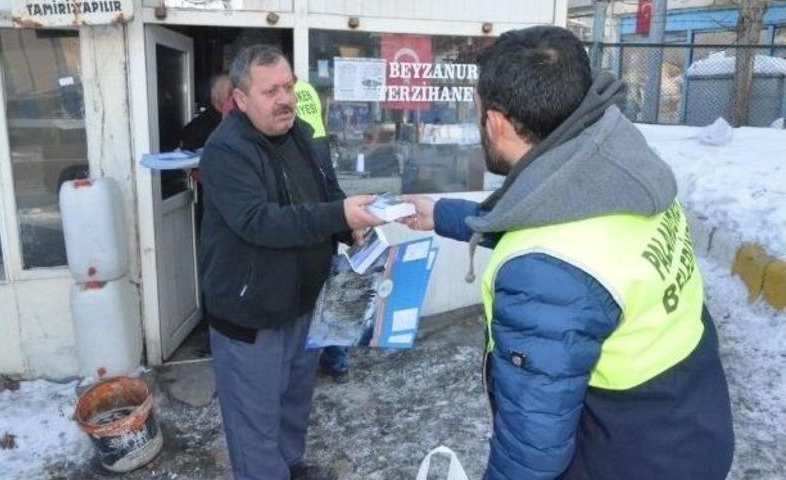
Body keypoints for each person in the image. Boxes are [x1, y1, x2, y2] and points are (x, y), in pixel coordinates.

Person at [400, 26, 734, 480]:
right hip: (691, 424)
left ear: (495, 122)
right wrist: (443, 215)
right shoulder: (620, 166)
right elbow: (561, 229)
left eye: (477, 113)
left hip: (630, 458)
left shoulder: (543, 272)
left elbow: (531, 455)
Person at [199, 45, 383, 480]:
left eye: (288, 86)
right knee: (254, 425)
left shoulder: (300, 132)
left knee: (294, 406)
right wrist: (338, 215)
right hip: (251, 316)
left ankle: (292, 467)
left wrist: (349, 228)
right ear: (241, 100)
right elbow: (258, 222)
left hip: (305, 304)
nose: (284, 98)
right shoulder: (225, 150)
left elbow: (326, 194)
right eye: (270, 91)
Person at [293, 79, 351, 384]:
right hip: (319, 159)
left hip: (311, 229)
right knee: (330, 293)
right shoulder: (305, 88)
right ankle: (337, 360)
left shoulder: (290, 141)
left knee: (322, 292)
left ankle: (327, 359)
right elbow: (330, 184)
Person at [181, 73, 233, 151]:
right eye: (230, 92)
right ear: (216, 95)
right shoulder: (195, 129)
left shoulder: (240, 121)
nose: (236, 96)